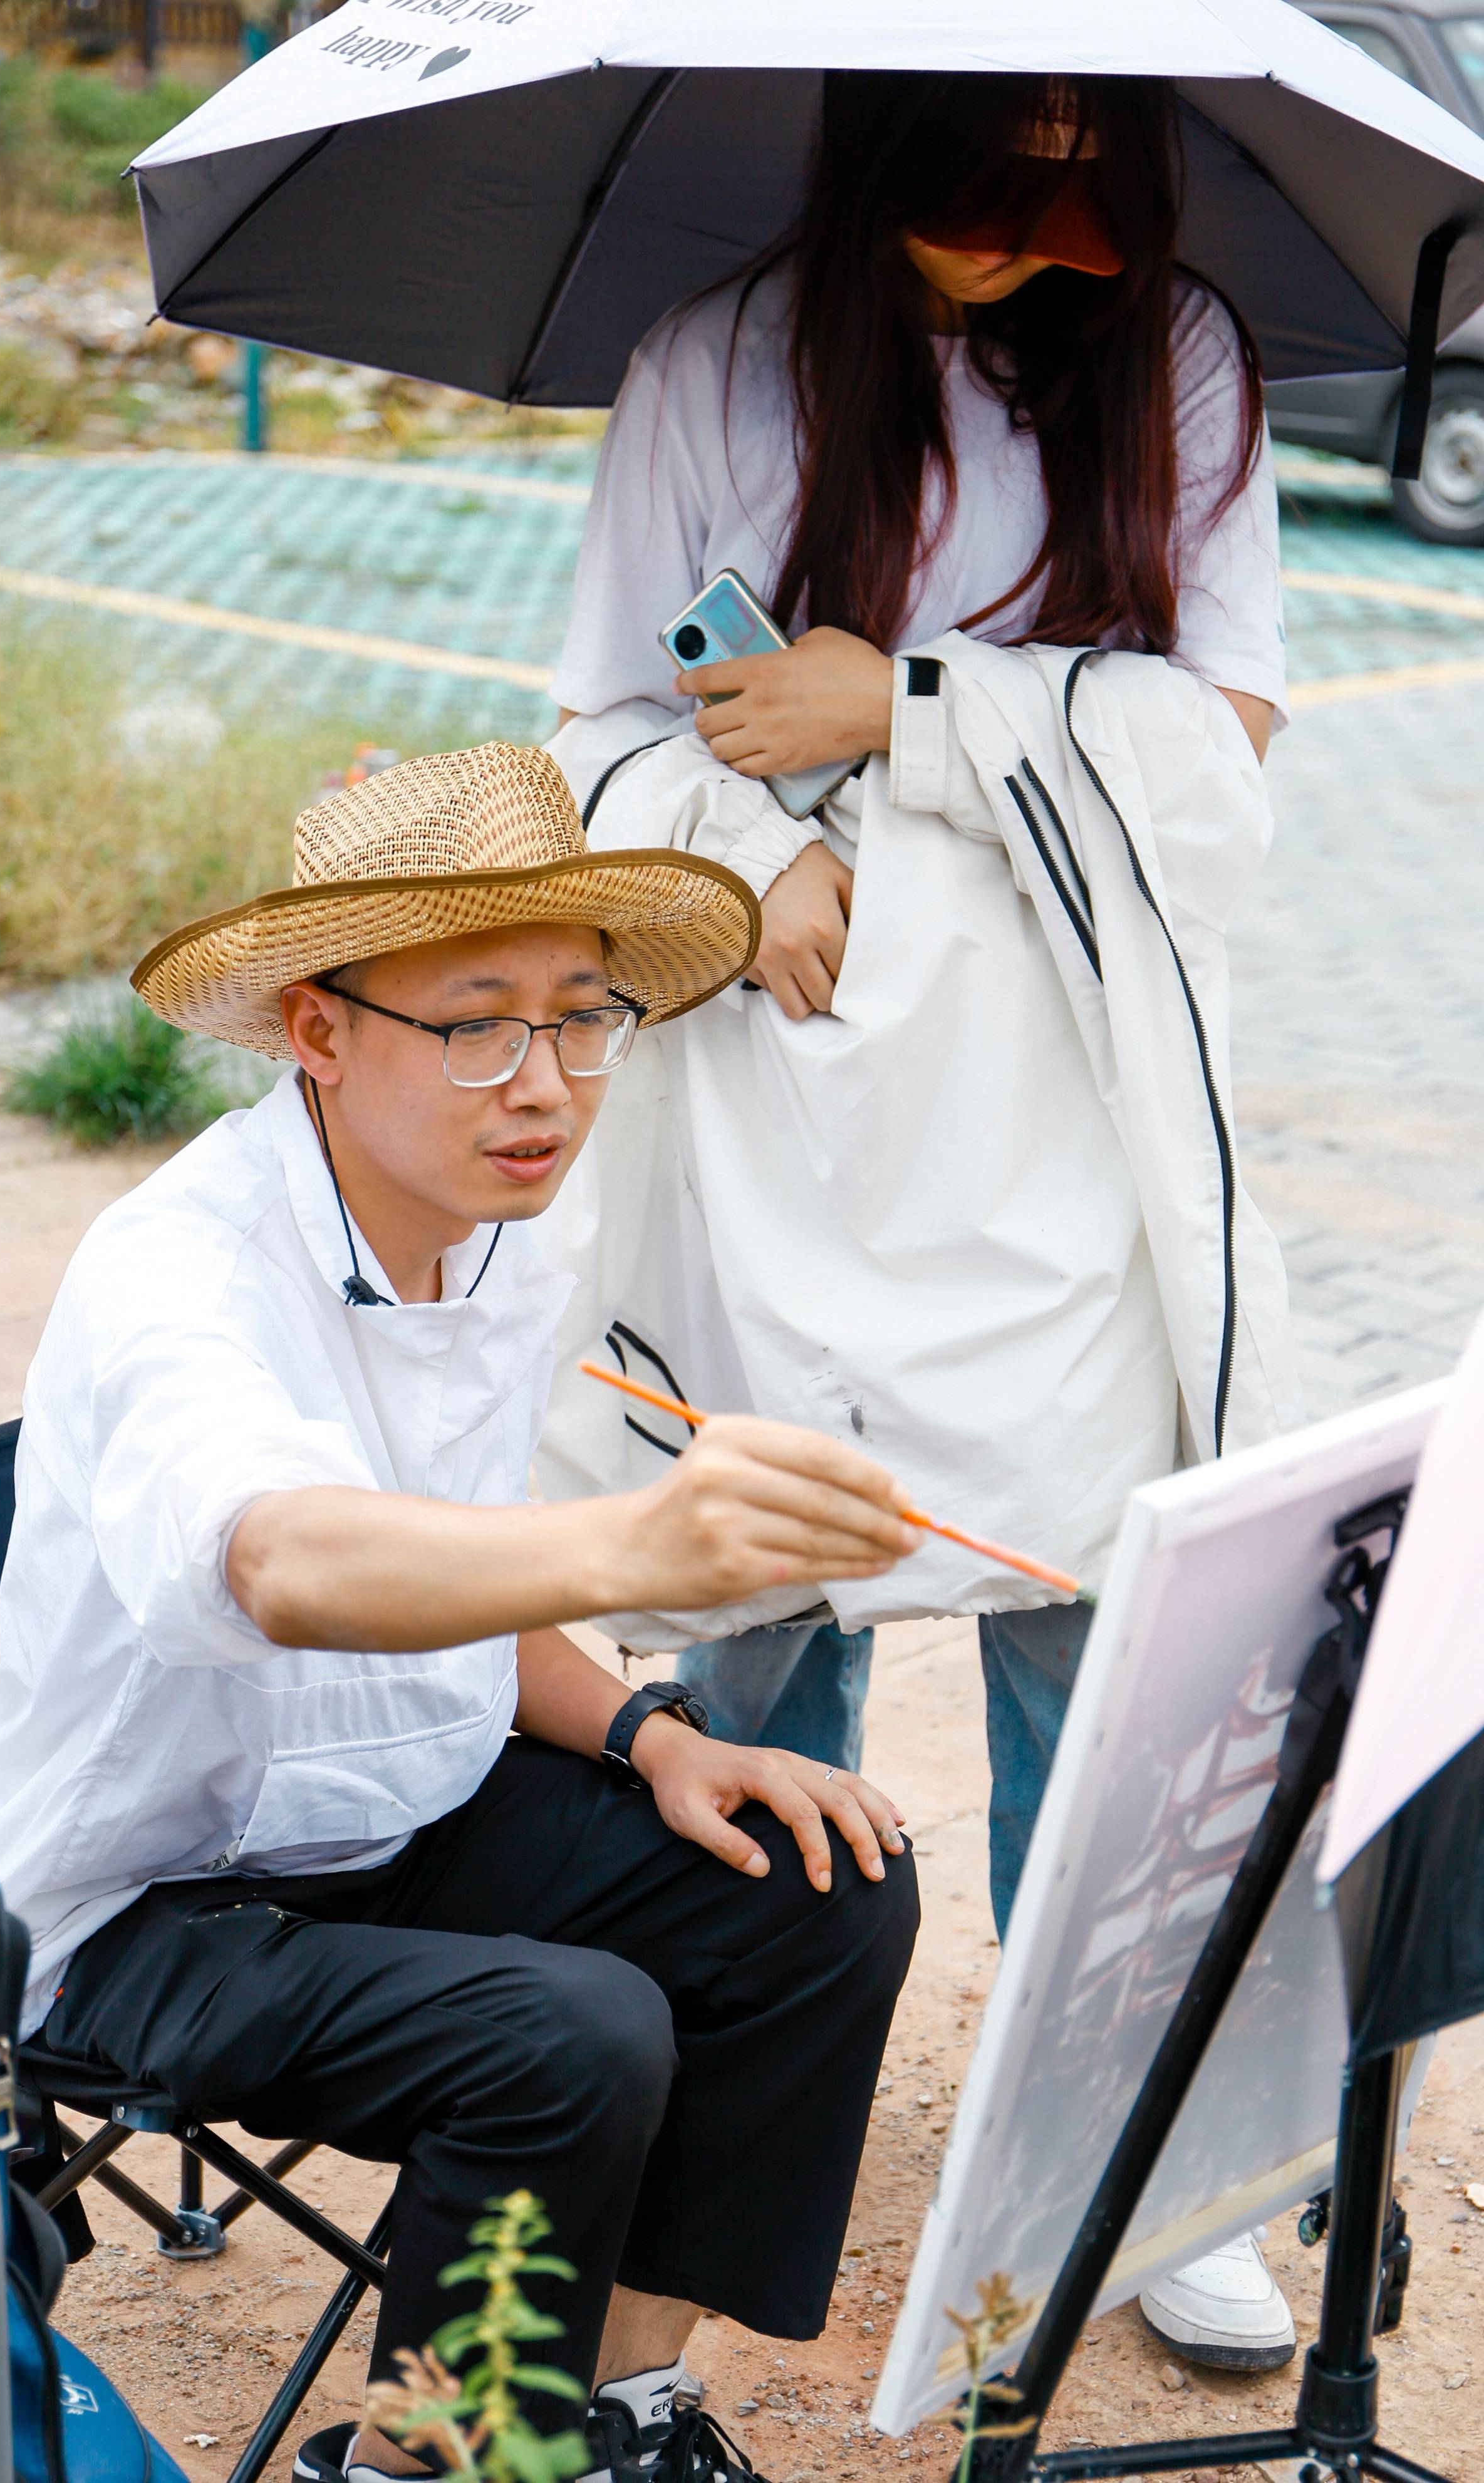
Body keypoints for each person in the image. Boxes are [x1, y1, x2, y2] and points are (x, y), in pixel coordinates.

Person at [541, 72, 1301, 2371]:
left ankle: (1134, 2152)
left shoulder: (1176, 358)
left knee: (1097, 1634)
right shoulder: (718, 354)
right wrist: (749, 853)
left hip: (1062, 1116)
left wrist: (922, 705)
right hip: (780, 1098)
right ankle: (720, 2107)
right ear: (883, 151)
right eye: (990, 186)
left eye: (1091, 195)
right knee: (759, 1620)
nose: (1036, 242)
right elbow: (589, 716)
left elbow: (1230, 741)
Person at [0, 744, 921, 2483]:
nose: (541, 1080)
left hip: (389, 1812)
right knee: (567, 2028)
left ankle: (613, 2405)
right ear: (319, 1031)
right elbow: (287, 1563)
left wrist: (658, 1728)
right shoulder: (178, 1269)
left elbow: (461, 1572)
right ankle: (440, 2460)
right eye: (475, 1022)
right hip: (142, 1908)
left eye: (581, 1016)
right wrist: (635, 1548)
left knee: (811, 1874)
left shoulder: (498, 1243)